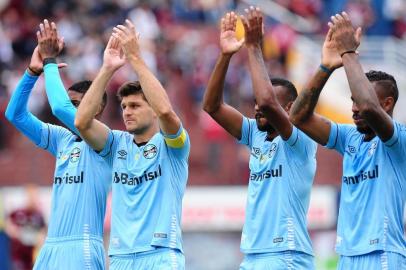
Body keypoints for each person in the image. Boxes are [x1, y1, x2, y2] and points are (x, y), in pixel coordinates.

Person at [289, 12, 406, 269]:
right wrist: (326, 67)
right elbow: (297, 117)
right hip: (347, 256)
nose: (354, 108)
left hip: (383, 253)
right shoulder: (349, 137)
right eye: (351, 101)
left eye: (358, 100)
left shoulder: (399, 141)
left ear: (387, 104)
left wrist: (348, 54)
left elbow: (367, 107)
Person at [203, 8, 317, 269]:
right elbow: (212, 107)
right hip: (253, 253)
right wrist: (225, 55)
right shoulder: (256, 133)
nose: (258, 107)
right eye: (254, 103)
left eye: (269, 104)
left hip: (286, 254)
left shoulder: (300, 139)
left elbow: (266, 100)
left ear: (288, 109)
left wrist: (253, 46)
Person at [74, 19, 190, 269]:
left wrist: (136, 58)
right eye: (124, 106)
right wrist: (107, 68)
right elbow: (82, 122)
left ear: (153, 110)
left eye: (135, 105)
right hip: (120, 257)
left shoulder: (173, 146)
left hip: (161, 254)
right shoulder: (116, 143)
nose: (127, 111)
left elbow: (167, 113)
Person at [5, 20, 111, 269]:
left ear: (98, 108)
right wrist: (32, 73)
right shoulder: (62, 139)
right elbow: (15, 114)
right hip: (51, 247)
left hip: (82, 247)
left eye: (79, 103)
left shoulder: (107, 142)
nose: (71, 110)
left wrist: (50, 62)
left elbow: (60, 107)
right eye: (71, 102)